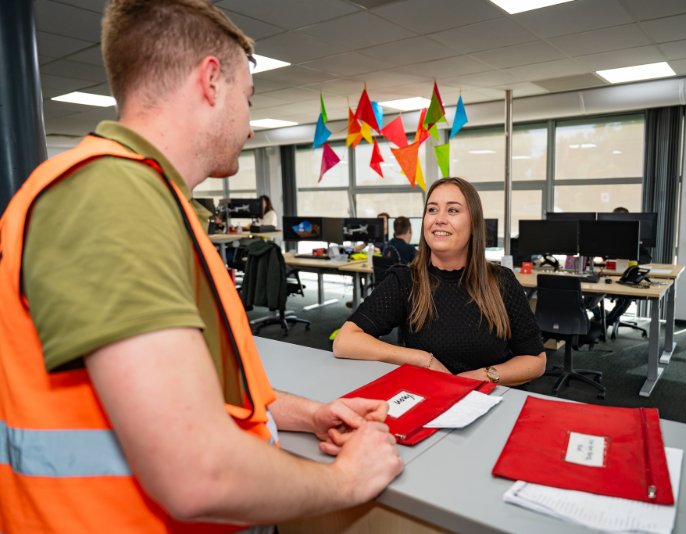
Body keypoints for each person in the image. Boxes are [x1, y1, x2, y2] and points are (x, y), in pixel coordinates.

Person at [0, 1, 402, 531]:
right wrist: (346, 481)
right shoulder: (110, 196)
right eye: (248, 100)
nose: (252, 127)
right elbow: (196, 474)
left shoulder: (153, 198)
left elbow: (197, 392)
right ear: (211, 82)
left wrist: (311, 415)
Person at [333, 177, 547, 386]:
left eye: (453, 210)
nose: (439, 219)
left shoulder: (501, 282)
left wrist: (481, 377)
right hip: (431, 400)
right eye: (432, 209)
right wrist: (423, 360)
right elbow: (345, 342)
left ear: (473, 223)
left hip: (492, 402)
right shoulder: (406, 281)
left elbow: (536, 360)